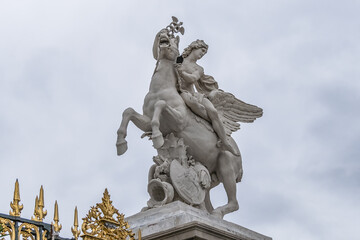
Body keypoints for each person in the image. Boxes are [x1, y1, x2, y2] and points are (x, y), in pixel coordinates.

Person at [176, 40, 239, 156]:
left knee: (213, 111)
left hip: (194, 95)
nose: (202, 54)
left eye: (204, 53)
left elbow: (192, 79)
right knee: (193, 104)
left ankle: (224, 140)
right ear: (194, 47)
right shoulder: (178, 59)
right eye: (202, 50)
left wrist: (181, 72)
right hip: (181, 93)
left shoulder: (199, 68)